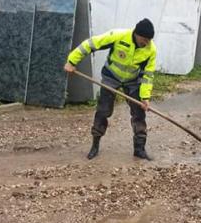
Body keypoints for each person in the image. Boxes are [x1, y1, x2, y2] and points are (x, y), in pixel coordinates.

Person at [64, 18, 157, 160]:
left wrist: (145, 98)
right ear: (136, 34)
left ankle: (139, 149)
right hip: (111, 77)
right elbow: (90, 44)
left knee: (139, 113)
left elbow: (147, 75)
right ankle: (95, 145)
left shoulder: (150, 50)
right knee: (103, 111)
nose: (146, 43)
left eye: (149, 40)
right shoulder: (119, 36)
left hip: (132, 81)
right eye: (144, 39)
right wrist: (72, 61)